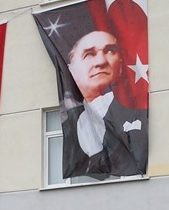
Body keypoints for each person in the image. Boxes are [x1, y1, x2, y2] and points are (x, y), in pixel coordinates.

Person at [61, 28, 148, 179]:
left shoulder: (138, 112)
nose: (101, 62)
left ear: (120, 64)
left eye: (110, 51)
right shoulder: (67, 121)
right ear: (71, 70)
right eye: (89, 54)